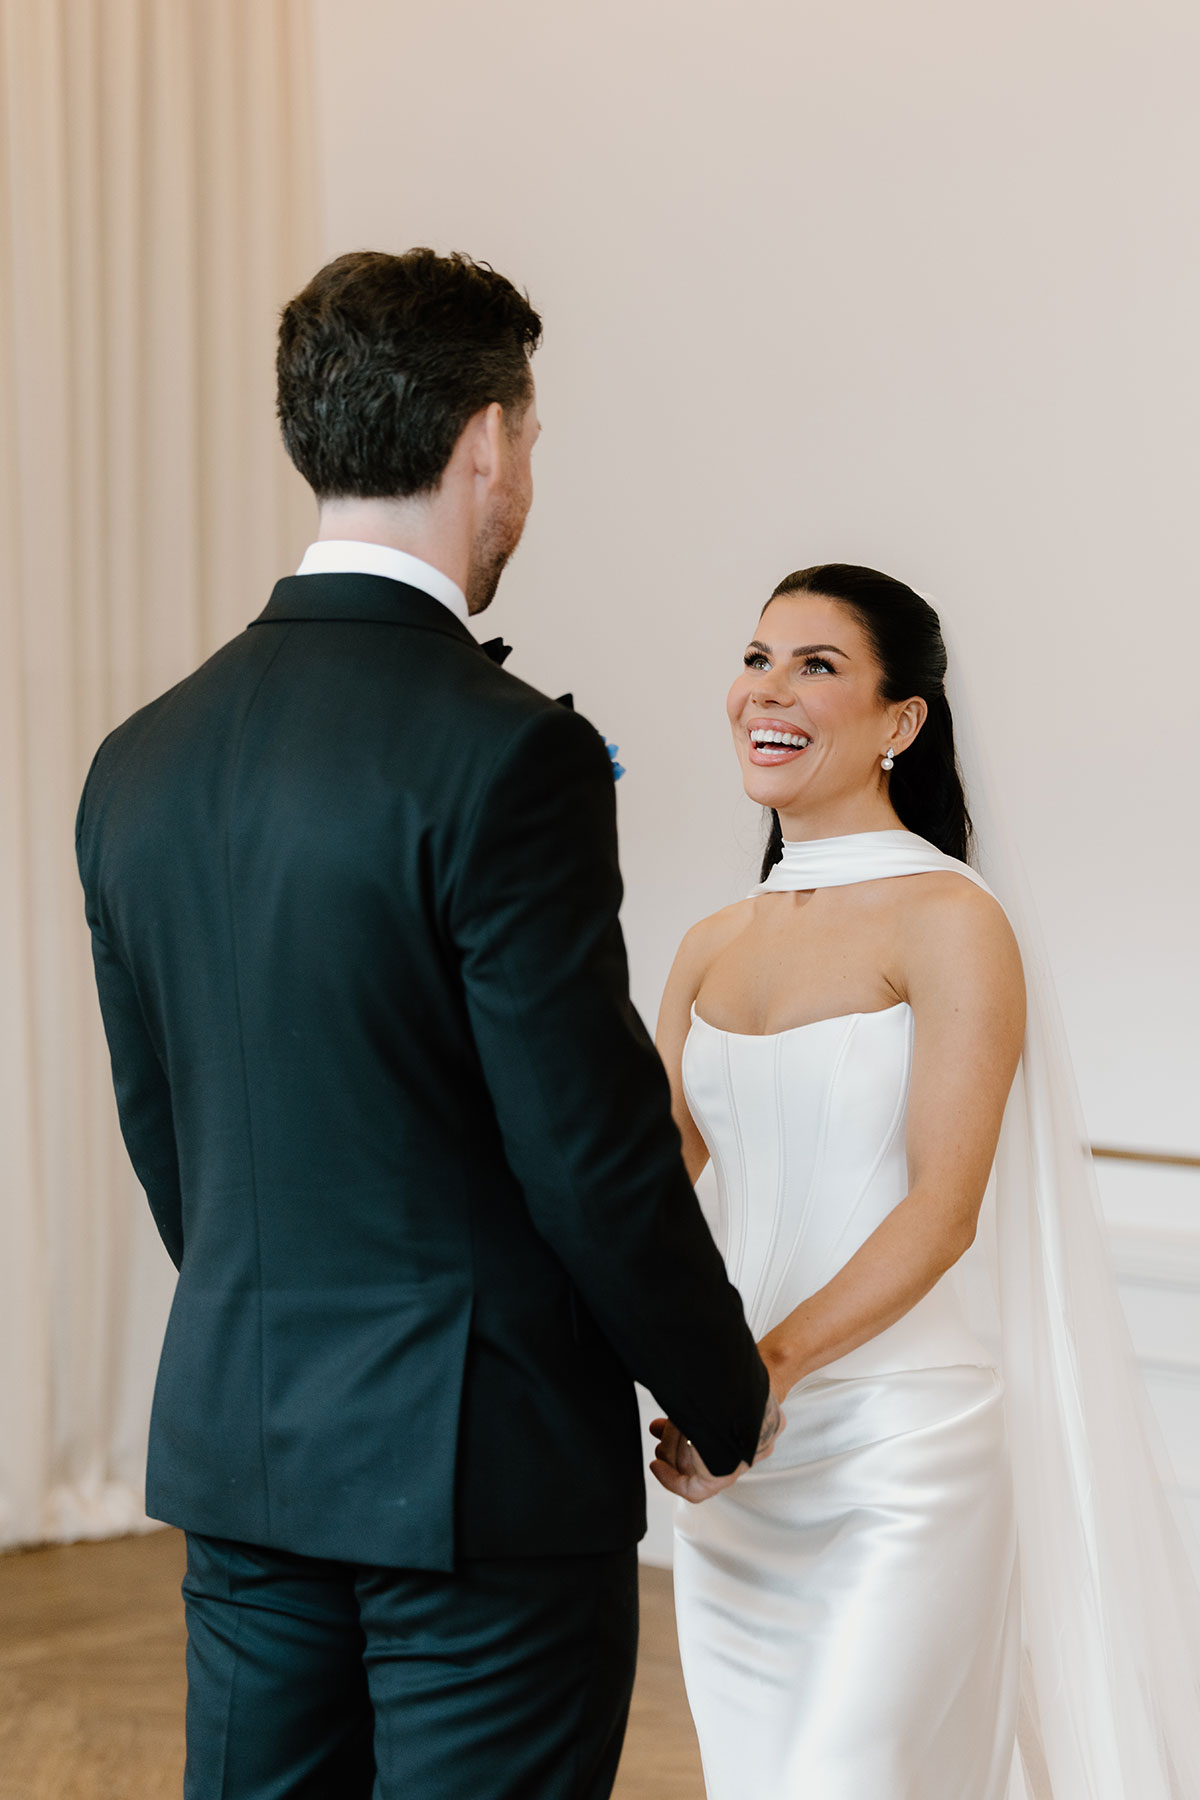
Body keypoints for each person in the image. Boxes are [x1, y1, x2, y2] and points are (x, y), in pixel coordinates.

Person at [75, 247, 779, 1800]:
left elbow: (167, 1131)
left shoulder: (138, 759)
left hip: (248, 1443)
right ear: (484, 441)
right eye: (528, 437)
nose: (526, 471)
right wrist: (720, 1391)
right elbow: (587, 1147)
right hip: (481, 1479)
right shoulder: (509, 758)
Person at [650, 564, 1200, 1798]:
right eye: (755, 659)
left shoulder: (952, 920)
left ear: (903, 722)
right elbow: (644, 1194)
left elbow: (943, 1211)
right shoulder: (707, 947)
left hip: (899, 1455)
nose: (767, 691)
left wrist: (762, 1372)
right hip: (736, 1479)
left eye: (817, 665)